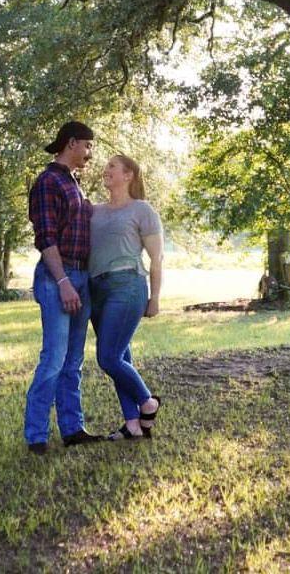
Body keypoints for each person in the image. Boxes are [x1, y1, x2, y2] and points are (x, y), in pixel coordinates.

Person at [23, 120, 105, 453]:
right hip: (58, 277)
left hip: (81, 277)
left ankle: (72, 428)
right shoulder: (48, 182)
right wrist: (63, 282)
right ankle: (36, 435)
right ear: (71, 143)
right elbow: (46, 239)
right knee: (54, 358)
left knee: (73, 361)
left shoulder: (73, 182)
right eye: (87, 146)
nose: (90, 153)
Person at [89, 154, 164, 440]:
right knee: (120, 356)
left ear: (128, 174)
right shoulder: (94, 211)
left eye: (112, 166)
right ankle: (133, 424)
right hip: (96, 289)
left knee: (108, 357)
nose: (105, 169)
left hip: (128, 285)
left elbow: (157, 258)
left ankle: (148, 402)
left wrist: (155, 297)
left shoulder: (142, 209)